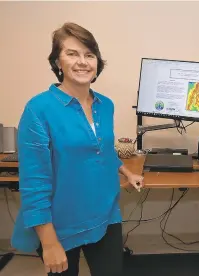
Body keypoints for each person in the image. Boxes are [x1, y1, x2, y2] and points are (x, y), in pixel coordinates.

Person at [11, 22, 144, 276]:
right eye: (72, 54)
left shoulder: (106, 105)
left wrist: (127, 172)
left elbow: (102, 149)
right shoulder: (38, 109)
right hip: (60, 223)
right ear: (58, 62)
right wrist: (49, 242)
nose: (82, 61)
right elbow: (34, 183)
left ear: (97, 63)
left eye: (89, 55)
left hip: (105, 215)